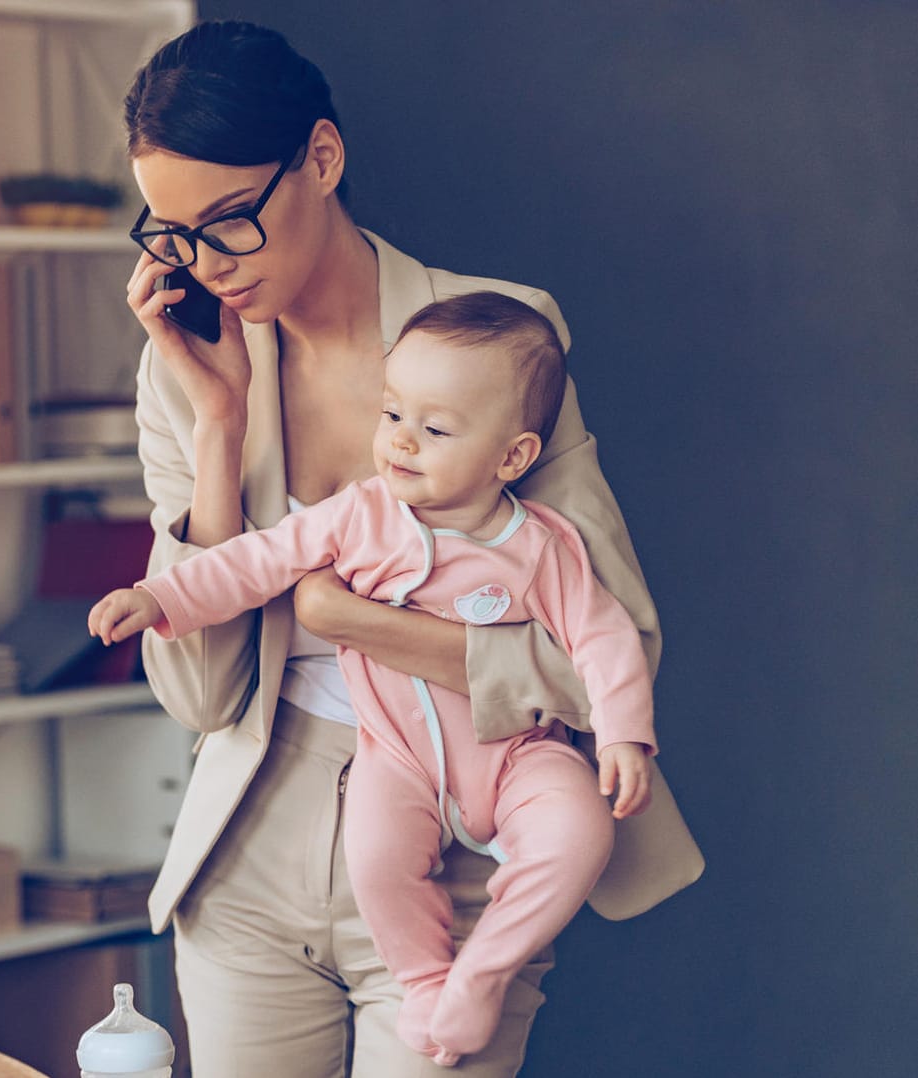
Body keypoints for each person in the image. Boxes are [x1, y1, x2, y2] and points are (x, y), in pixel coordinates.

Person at [118, 19, 704, 1078]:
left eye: (229, 221)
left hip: (463, 845)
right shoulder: (185, 371)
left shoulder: (500, 340)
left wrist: (358, 624)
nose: (203, 265)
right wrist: (217, 427)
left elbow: (606, 654)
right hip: (250, 846)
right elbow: (201, 697)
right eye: (169, 233)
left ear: (323, 160)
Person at [91, 292, 656, 1066]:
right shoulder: (358, 513)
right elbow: (255, 562)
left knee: (579, 831)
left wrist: (624, 736)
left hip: (518, 754)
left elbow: (604, 637)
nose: (399, 443)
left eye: (435, 430)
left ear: (512, 457)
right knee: (376, 853)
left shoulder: (540, 544)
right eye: (392, 416)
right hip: (393, 758)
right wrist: (158, 597)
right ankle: (425, 978)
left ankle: (480, 972)